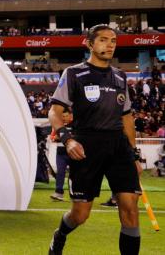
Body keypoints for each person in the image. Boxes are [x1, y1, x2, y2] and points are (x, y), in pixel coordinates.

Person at [47, 24, 143, 255]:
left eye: (113, 41)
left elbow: (127, 117)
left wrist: (134, 154)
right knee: (80, 214)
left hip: (118, 146)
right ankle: (59, 236)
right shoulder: (73, 73)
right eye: (103, 40)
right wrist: (68, 139)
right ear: (89, 44)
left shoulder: (120, 76)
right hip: (86, 145)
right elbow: (54, 112)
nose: (109, 45)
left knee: (130, 208)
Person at [49, 107, 72, 202]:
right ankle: (59, 193)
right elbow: (52, 137)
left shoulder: (77, 124)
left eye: (66, 116)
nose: (64, 118)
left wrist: (63, 137)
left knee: (74, 175)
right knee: (60, 173)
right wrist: (57, 138)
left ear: (71, 115)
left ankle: (74, 194)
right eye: (62, 116)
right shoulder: (57, 125)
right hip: (60, 153)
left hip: (72, 153)